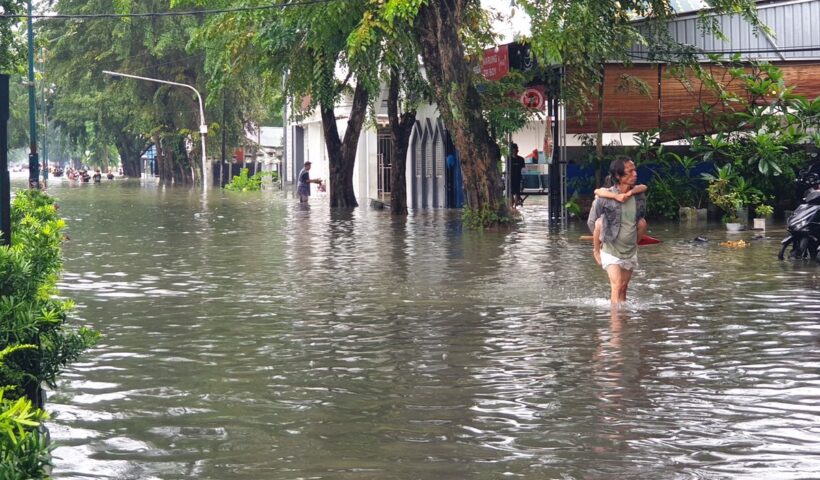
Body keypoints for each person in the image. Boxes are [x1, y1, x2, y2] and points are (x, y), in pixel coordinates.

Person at [587, 156, 647, 305]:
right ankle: (615, 325)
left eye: (635, 170)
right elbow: (592, 222)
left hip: (629, 250)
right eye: (629, 172)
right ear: (618, 176)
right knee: (617, 285)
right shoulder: (605, 196)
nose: (635, 174)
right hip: (610, 249)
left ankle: (623, 319)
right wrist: (599, 241)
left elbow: (639, 217)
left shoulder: (639, 195)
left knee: (624, 288)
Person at [509, 143, 525, 207]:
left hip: (518, 178)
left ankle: (515, 207)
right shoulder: (509, 159)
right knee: (511, 193)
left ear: (517, 150)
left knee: (517, 192)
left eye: (516, 150)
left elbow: (523, 170)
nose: (515, 152)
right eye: (513, 150)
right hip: (510, 179)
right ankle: (512, 206)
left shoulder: (521, 159)